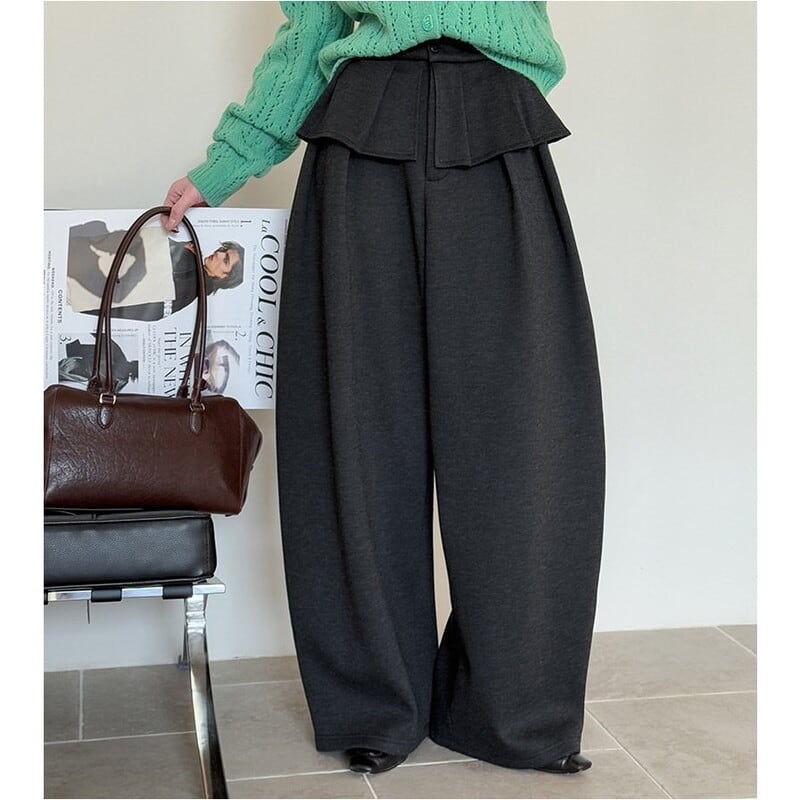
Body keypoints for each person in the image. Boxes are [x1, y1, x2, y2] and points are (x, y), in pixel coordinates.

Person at [163, 1, 605, 777]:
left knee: (527, 437)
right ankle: (376, 703)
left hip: (497, 122)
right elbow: (308, 32)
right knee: (356, 428)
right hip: (362, 129)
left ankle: (516, 709)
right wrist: (226, 165)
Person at [68, 218, 245, 321]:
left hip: (85, 276)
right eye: (223, 250)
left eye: (226, 260)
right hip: (90, 297)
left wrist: (179, 248)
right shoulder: (193, 293)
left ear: (224, 277)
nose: (218, 254)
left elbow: (144, 253)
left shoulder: (189, 265)